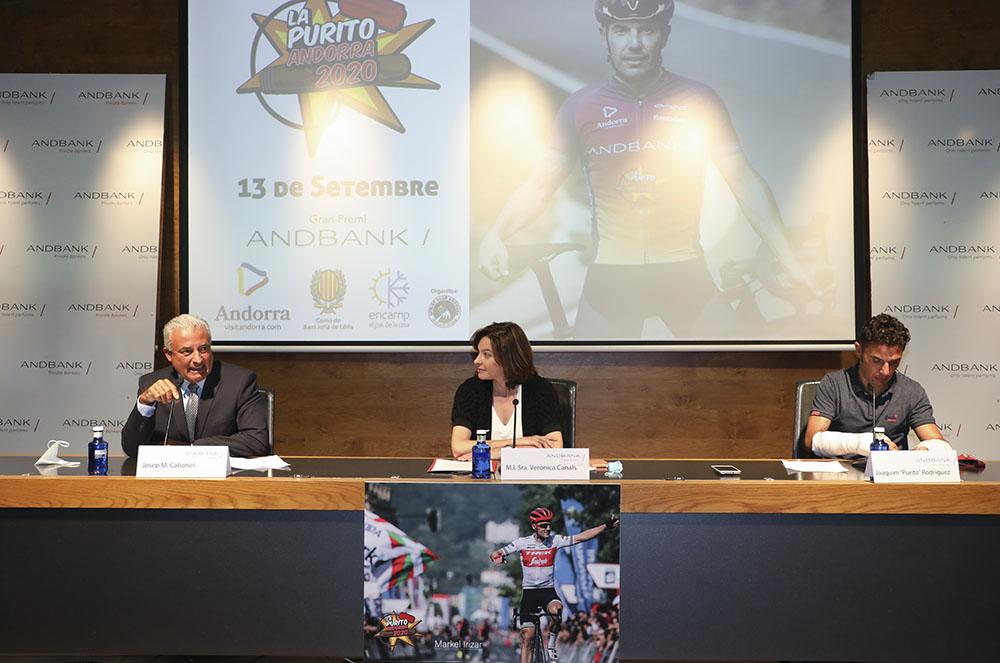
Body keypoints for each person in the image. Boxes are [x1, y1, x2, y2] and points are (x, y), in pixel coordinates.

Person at [477, 0, 815, 339]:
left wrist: (788, 258)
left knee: (733, 365)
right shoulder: (580, 106)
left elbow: (742, 179)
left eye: (647, 30)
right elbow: (539, 186)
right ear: (604, 35)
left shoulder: (699, 101)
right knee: (593, 373)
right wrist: (497, 234)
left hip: (684, 274)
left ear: (664, 35)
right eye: (621, 31)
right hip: (612, 279)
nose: (634, 43)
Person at [805, 313, 952, 458]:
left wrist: (927, 450)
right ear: (859, 351)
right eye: (876, 361)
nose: (885, 371)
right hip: (842, 470)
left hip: (892, 471)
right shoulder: (834, 384)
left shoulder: (911, 391)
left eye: (894, 362)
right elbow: (812, 440)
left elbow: (939, 444)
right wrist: (862, 443)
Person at [121, 313, 268, 457]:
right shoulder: (152, 383)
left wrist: (191, 449)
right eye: (187, 351)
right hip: (170, 471)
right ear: (168, 354)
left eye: (203, 349)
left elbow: (256, 441)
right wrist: (145, 403)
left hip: (220, 471)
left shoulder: (239, 381)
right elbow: (132, 449)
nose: (198, 359)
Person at [490, 507, 619, 663]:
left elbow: (581, 537)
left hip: (548, 591)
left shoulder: (555, 540)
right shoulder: (522, 543)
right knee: (527, 638)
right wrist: (496, 557)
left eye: (549, 525)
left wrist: (606, 525)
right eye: (543, 525)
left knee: (556, 611)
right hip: (530, 593)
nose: (548, 528)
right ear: (534, 526)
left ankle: (551, 645)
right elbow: (496, 553)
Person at [451, 321, 564, 460]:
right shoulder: (471, 390)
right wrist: (522, 442)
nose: (477, 361)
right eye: (478, 353)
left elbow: (555, 447)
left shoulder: (541, 390)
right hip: (482, 473)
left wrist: (497, 453)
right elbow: (459, 447)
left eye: (486, 355)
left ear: (508, 358)